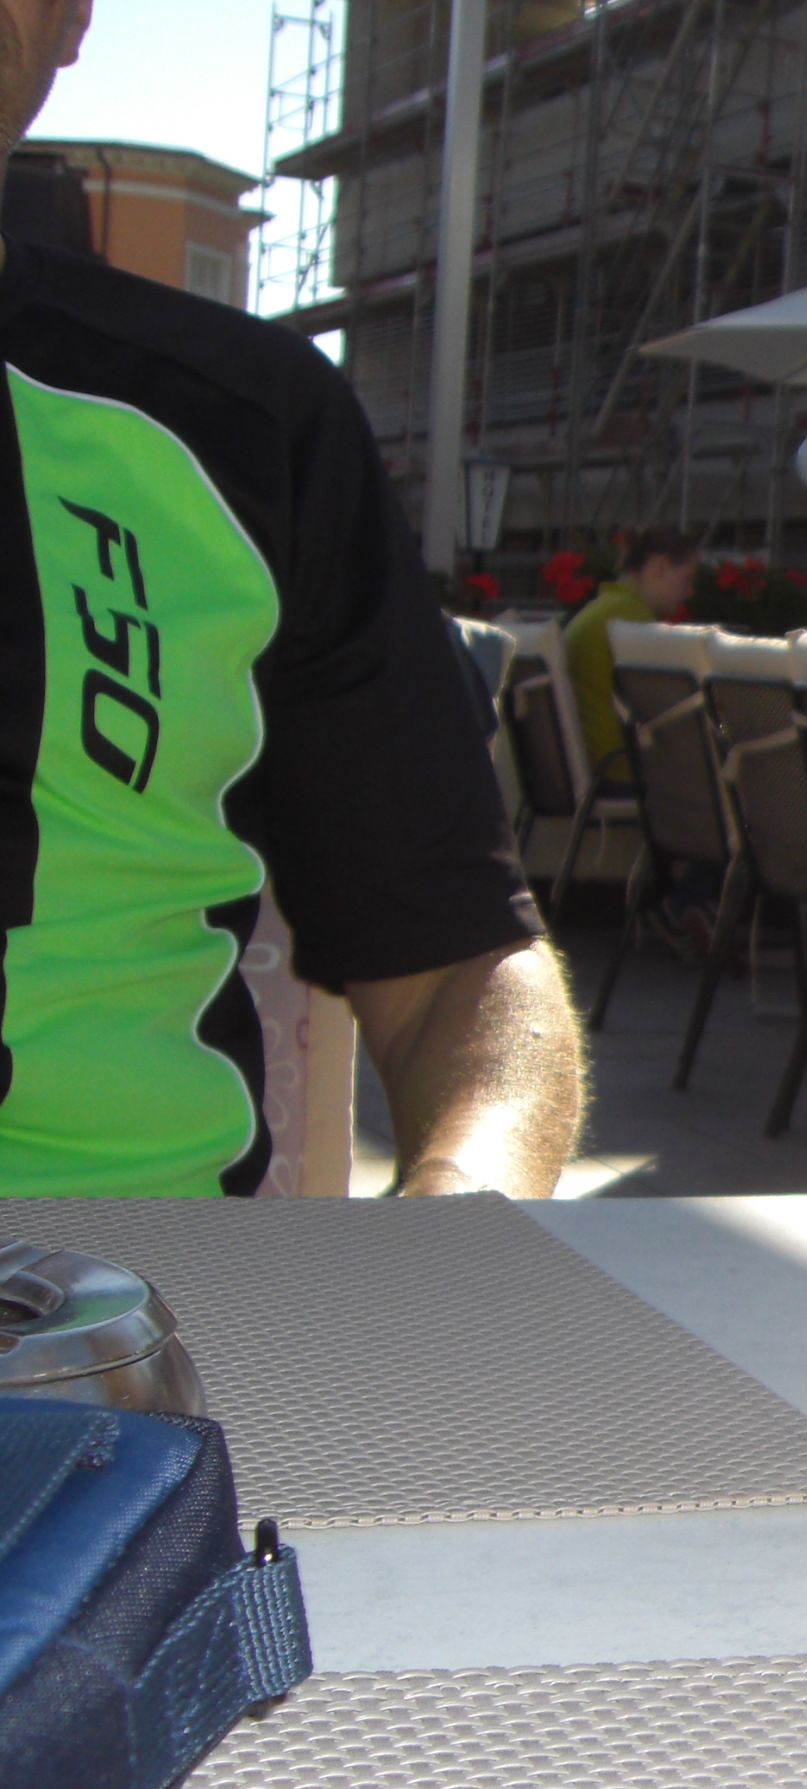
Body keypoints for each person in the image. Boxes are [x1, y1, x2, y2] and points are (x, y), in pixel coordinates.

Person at [0, 0, 580, 1199]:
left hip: (141, 1283)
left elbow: (457, 973)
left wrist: (461, 1219)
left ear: (73, 16)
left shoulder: (247, 424)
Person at [562, 526, 700, 776]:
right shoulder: (631, 622)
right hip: (619, 771)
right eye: (687, 579)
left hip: (591, 766)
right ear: (661, 566)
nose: (690, 593)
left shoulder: (605, 609)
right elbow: (672, 711)